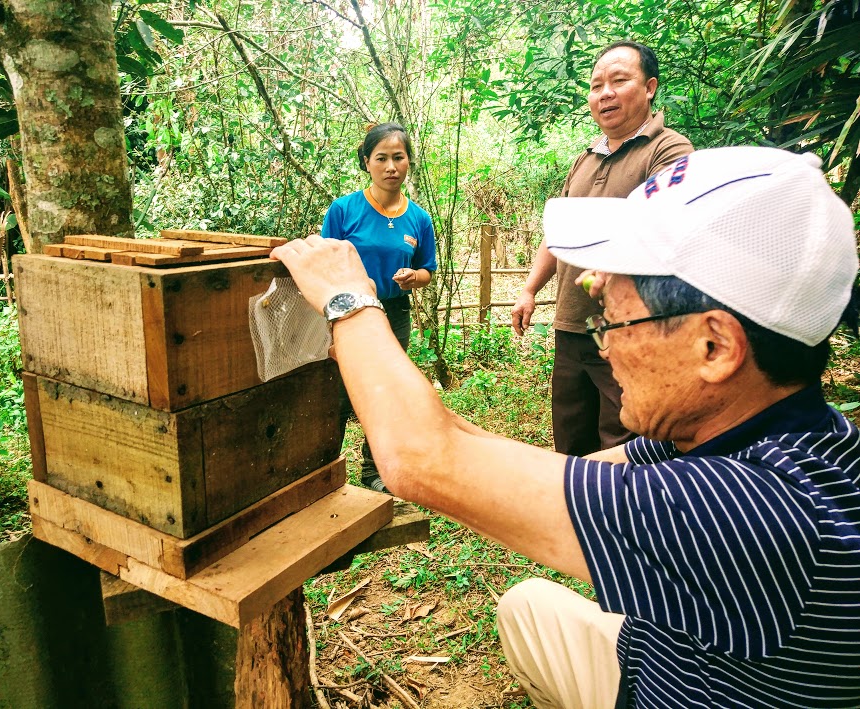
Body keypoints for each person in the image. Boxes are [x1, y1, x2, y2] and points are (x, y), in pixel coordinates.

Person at [271, 146, 860, 707]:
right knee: (528, 607)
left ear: (715, 346)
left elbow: (419, 459)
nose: (605, 348)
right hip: (658, 665)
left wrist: (348, 302)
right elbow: (490, 457)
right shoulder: (767, 430)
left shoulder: (758, 514)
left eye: (615, 322)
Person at [512, 41, 693, 456]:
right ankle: (573, 517)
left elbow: (667, 227)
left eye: (619, 80)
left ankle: (622, 519)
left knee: (624, 441)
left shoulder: (668, 151)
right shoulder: (585, 159)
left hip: (628, 329)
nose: (605, 93)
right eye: (596, 86)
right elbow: (556, 233)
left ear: (649, 87)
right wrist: (529, 289)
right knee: (571, 436)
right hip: (572, 326)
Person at [321, 122, 437, 492]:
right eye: (382, 158)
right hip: (348, 314)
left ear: (408, 163)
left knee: (383, 394)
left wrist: (413, 277)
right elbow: (326, 264)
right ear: (366, 162)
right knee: (338, 395)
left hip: (394, 314)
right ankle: (324, 472)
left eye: (398, 158)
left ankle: (374, 474)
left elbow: (428, 271)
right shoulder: (344, 210)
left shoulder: (418, 218)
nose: (391, 167)